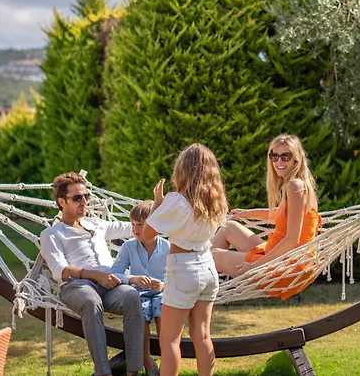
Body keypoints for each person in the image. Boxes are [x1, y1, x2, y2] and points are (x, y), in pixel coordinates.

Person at [40, 171, 144, 376]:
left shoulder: (96, 224)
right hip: (76, 286)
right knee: (90, 301)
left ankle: (133, 371)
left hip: (109, 285)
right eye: (77, 198)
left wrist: (158, 212)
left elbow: (131, 227)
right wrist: (95, 275)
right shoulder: (52, 234)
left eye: (86, 196)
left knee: (132, 296)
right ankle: (103, 372)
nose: (84, 201)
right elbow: (60, 271)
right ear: (61, 202)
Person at [144, 143, 228, 376]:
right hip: (207, 268)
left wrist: (157, 204)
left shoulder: (177, 201)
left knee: (170, 339)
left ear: (182, 170)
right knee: (202, 335)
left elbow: (148, 232)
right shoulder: (216, 201)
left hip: (183, 271)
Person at [211, 134, 321, 300]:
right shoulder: (299, 185)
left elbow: (292, 240)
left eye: (285, 156)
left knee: (210, 257)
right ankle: (187, 275)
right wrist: (247, 214)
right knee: (229, 227)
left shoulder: (294, 186)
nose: (279, 161)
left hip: (287, 268)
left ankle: (182, 283)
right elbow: (281, 214)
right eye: (274, 156)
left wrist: (255, 266)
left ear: (296, 159)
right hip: (281, 257)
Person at [111, 200, 170, 376]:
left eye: (140, 225)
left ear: (155, 225)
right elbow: (114, 273)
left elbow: (177, 276)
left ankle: (167, 362)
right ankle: (147, 360)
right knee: (139, 309)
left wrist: (163, 285)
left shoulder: (167, 247)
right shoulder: (128, 247)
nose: (135, 229)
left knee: (163, 308)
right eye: (133, 224)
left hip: (162, 294)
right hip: (139, 294)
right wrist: (133, 279)